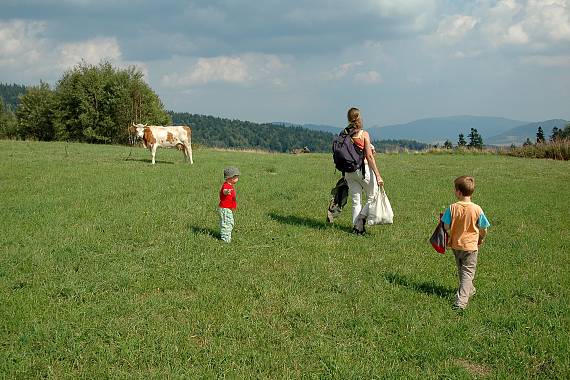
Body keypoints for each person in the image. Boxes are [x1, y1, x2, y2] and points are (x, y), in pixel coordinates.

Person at [442, 176, 491, 310]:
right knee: (468, 273)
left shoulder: (452, 208)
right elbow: (484, 228)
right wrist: (481, 237)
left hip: (456, 245)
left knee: (462, 271)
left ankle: (468, 291)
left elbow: (446, 226)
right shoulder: (477, 209)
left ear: (458, 192)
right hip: (470, 246)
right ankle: (461, 302)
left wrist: (450, 233)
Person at [344, 107, 384, 234]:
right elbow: (369, 157)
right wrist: (378, 175)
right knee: (373, 195)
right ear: (358, 117)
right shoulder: (364, 134)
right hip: (363, 169)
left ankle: (356, 228)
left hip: (349, 171)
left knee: (356, 201)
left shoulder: (345, 134)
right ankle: (361, 220)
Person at [219, 167, 240, 243]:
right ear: (230, 178)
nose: (238, 178)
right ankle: (225, 240)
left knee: (230, 222)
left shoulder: (230, 185)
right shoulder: (226, 186)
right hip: (225, 208)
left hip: (228, 208)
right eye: (236, 177)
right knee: (226, 223)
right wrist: (226, 192)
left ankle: (227, 237)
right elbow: (224, 191)